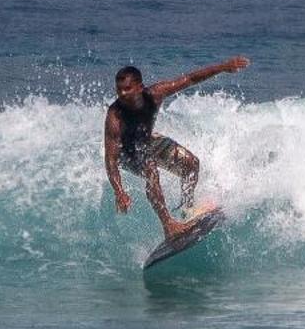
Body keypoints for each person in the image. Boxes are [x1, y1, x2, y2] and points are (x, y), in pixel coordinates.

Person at [105, 56, 249, 238]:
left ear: (140, 87)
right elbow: (110, 159)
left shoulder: (156, 94)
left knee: (191, 164)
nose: (122, 94)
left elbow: (190, 79)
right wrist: (119, 191)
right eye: (119, 90)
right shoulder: (115, 116)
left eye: (127, 89)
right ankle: (169, 226)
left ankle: (188, 209)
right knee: (151, 170)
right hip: (126, 153)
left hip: (148, 142)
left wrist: (222, 67)